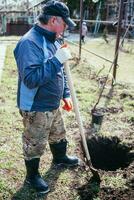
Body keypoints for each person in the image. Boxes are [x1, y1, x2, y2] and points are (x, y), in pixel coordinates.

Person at [14, 0, 80, 194]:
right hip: (36, 106)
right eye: (64, 22)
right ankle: (32, 176)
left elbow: (61, 71)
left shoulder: (53, 39)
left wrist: (65, 93)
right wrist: (57, 59)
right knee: (35, 142)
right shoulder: (29, 42)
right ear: (53, 20)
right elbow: (31, 79)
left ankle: (59, 157)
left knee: (58, 132)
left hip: (52, 103)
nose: (66, 27)